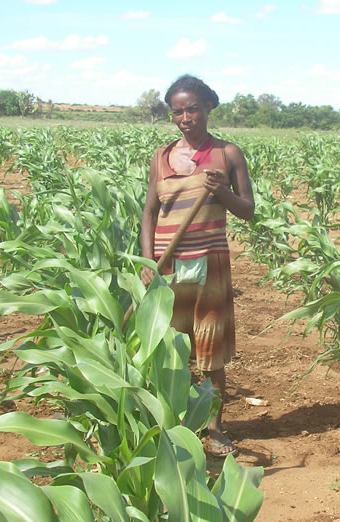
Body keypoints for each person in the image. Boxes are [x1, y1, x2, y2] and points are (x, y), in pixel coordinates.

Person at [141, 74, 255, 457]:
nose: (185, 117)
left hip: (209, 261)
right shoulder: (161, 156)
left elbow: (248, 211)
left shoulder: (228, 154)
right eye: (178, 111)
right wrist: (148, 261)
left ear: (208, 107)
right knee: (168, 345)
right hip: (168, 264)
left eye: (192, 109)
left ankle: (215, 428)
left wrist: (220, 190)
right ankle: (170, 422)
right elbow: (150, 213)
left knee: (210, 347)